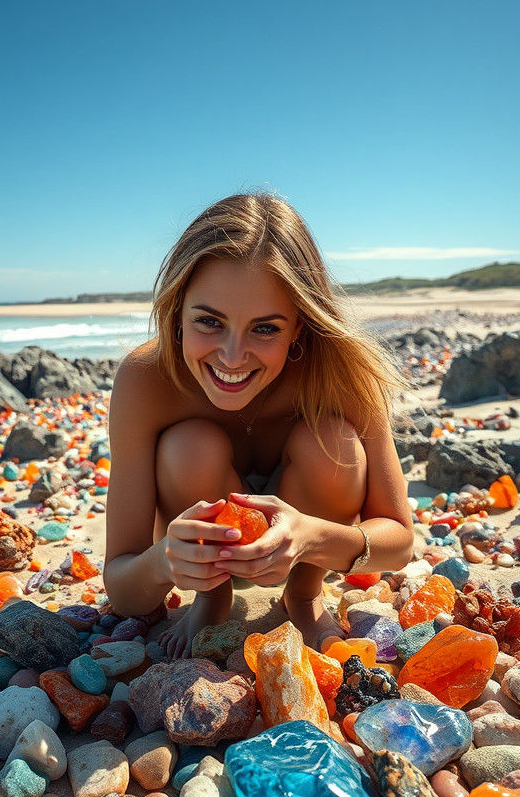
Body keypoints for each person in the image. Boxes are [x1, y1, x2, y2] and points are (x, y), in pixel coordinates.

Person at [103, 192, 414, 657]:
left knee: (334, 442)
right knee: (190, 445)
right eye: (209, 321)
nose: (231, 357)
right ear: (176, 314)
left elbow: (400, 540)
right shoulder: (147, 380)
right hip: (203, 544)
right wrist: (165, 560)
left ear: (299, 328)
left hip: (309, 544)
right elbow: (123, 586)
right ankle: (212, 598)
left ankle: (304, 595)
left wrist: (312, 536)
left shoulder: (340, 373)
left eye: (265, 328)